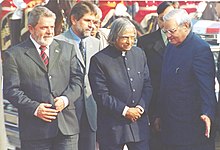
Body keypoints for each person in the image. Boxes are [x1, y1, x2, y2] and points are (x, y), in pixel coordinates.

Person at [3, 6, 82, 150]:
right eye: (44, 27)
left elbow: (77, 81)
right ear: (31, 28)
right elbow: (10, 90)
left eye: (52, 26)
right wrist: (35, 108)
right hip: (35, 131)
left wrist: (66, 99)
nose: (50, 32)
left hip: (66, 128)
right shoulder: (14, 55)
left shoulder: (67, 49)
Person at [155, 9, 217, 150]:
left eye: (172, 31)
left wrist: (207, 113)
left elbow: (207, 86)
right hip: (171, 123)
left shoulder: (200, 49)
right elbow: (164, 84)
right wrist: (159, 114)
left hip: (191, 124)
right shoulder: (171, 47)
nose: (168, 36)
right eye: (165, 32)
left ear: (186, 26)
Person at [88, 17, 152, 150]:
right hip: (113, 125)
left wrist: (140, 108)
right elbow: (101, 95)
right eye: (125, 37)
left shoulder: (139, 54)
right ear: (114, 37)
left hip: (138, 123)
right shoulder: (99, 60)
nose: (130, 42)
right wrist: (126, 111)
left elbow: (147, 85)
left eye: (132, 37)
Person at [55, 1, 101, 150]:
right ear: (74, 19)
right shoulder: (57, 42)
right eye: (87, 21)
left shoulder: (97, 43)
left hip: (91, 111)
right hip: (68, 113)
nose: (92, 25)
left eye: (94, 22)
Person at [137, 2, 174, 150]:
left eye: (169, 17)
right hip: (154, 104)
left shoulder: (185, 41)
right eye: (162, 18)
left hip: (179, 106)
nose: (165, 21)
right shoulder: (145, 42)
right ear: (158, 19)